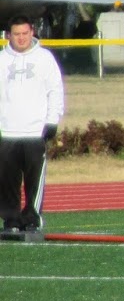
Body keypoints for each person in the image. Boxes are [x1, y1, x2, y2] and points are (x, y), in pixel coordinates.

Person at [0, 15, 65, 239]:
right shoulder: (2, 59)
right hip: (7, 131)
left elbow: (55, 90)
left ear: (32, 32)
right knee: (7, 179)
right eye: (16, 34)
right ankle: (11, 219)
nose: (21, 38)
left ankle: (32, 219)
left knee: (33, 179)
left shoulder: (44, 59)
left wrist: (52, 120)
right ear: (9, 35)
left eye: (25, 33)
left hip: (35, 131)